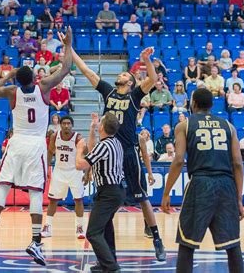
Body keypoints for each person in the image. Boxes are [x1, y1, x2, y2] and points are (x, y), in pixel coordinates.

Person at [0, 27, 73, 266]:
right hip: (35, 145)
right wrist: (68, 45)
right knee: (35, 193)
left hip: (16, 143)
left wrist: (9, 75)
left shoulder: (12, 92)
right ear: (35, 78)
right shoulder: (44, 87)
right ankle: (35, 241)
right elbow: (67, 68)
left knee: (2, 187)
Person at [66, 44, 165, 260]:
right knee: (105, 198)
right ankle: (108, 251)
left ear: (129, 82)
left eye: (123, 74)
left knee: (142, 197)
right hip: (108, 152)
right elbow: (86, 70)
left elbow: (153, 78)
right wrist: (70, 48)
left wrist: (147, 60)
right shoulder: (108, 92)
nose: (119, 75)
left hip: (128, 152)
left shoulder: (134, 96)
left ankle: (157, 238)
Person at [162, 88, 244, 273]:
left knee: (187, 243)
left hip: (200, 183)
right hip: (226, 184)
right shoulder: (228, 126)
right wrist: (238, 198)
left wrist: (166, 192)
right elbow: (238, 163)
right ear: (211, 105)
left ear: (193, 104)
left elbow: (178, 160)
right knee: (233, 245)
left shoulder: (184, 125)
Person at [75, 112, 125, 272]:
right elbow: (93, 150)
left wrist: (78, 150)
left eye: (100, 123)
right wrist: (92, 128)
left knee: (93, 233)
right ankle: (108, 262)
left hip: (108, 192)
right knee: (106, 227)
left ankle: (111, 267)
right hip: (116, 190)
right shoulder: (114, 142)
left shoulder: (104, 146)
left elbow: (81, 164)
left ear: (103, 127)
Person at [42, 115, 86, 239]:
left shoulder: (78, 138)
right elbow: (50, 151)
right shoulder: (55, 136)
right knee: (53, 200)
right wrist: (46, 169)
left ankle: (80, 227)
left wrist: (87, 172)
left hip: (75, 171)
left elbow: (87, 155)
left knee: (78, 200)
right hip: (59, 171)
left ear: (72, 125)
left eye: (68, 123)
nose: (66, 125)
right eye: (64, 123)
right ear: (60, 125)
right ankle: (47, 227)